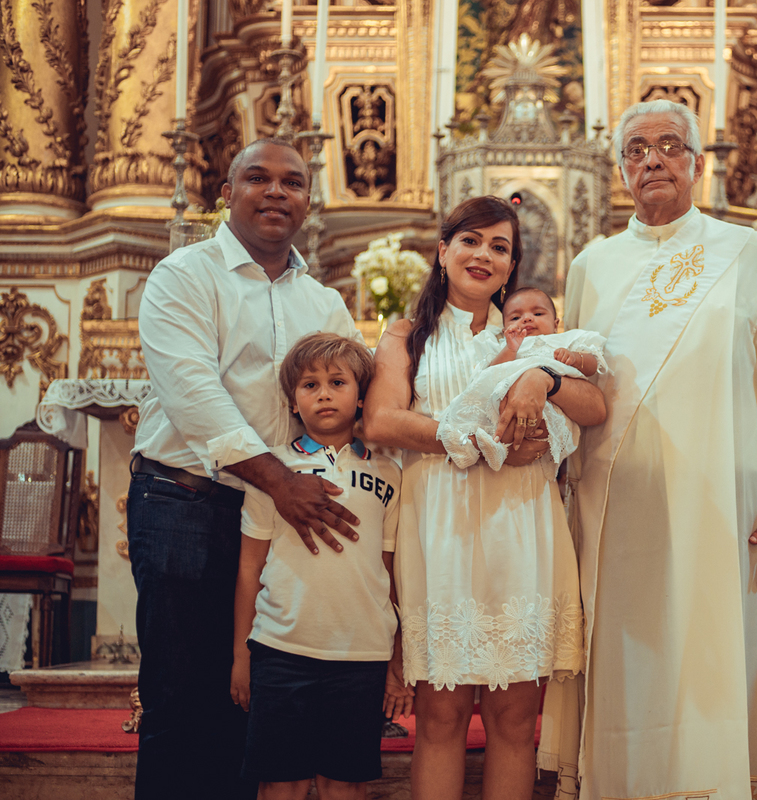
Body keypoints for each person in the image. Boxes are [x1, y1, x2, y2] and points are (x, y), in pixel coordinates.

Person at [547, 99, 757, 800]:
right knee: (627, 672)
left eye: (670, 145)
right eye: (637, 149)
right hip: (617, 510)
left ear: (699, 164)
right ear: (620, 170)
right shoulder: (592, 265)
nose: (653, 159)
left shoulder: (753, 255)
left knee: (715, 662)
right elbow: (578, 390)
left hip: (728, 507)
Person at [126, 137, 364, 800]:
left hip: (274, 520)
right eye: (258, 178)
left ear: (307, 202)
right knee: (178, 697)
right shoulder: (184, 275)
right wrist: (283, 481)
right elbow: (193, 392)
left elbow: (349, 404)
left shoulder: (324, 303)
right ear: (227, 193)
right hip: (184, 503)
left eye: (292, 182)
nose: (276, 192)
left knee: (254, 695)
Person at [362, 196, 607, 800]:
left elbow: (595, 408)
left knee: (515, 721)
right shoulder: (405, 334)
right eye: (472, 241)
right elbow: (381, 422)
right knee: (440, 720)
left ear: (511, 266)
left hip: (520, 527)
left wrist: (540, 375)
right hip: (440, 530)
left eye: (500, 247)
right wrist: (467, 438)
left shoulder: (528, 334)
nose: (485, 255)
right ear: (443, 251)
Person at [230, 332, 412, 800]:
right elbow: (250, 568)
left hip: (361, 652)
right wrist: (241, 655)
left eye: (337, 382)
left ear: (361, 396)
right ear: (293, 401)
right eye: (309, 385)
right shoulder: (272, 472)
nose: (324, 393)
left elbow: (389, 572)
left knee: (343, 781)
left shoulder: (388, 474)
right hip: (281, 645)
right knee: (281, 780)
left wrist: (395, 658)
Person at [439, 286, 606, 472]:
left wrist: (575, 357)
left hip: (548, 406)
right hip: (506, 402)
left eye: (538, 313)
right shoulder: (506, 345)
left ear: (555, 323)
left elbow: (592, 363)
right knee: (500, 406)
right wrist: (510, 349)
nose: (526, 318)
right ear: (505, 330)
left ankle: (494, 446)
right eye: (515, 318)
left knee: (536, 419)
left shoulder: (565, 341)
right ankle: (478, 443)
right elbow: (491, 372)